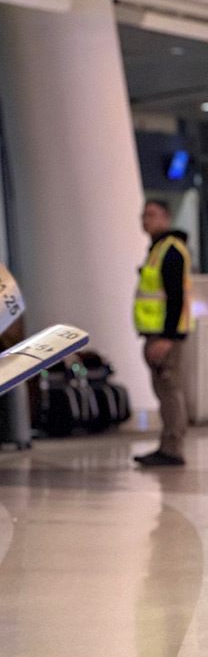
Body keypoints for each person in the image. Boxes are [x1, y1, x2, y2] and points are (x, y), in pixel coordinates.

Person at [133, 198, 194, 467]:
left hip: (165, 335)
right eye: (143, 215)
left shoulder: (170, 250)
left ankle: (173, 447)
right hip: (156, 333)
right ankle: (168, 445)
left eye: (152, 215)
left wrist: (168, 337)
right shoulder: (158, 249)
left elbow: (175, 297)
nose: (145, 220)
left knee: (170, 389)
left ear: (166, 218)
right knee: (165, 389)